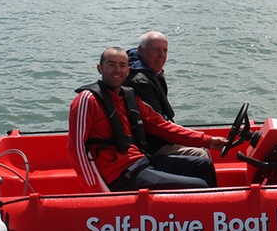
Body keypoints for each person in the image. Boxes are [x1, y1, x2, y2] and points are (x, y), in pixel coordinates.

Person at [68, 47, 227, 192]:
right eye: (112, 65)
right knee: (200, 186)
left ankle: (215, 217)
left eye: (122, 65)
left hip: (142, 162)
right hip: (121, 175)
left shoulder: (129, 99)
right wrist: (98, 194)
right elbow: (76, 150)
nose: (117, 70)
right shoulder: (87, 100)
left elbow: (162, 126)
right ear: (100, 68)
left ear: (128, 70)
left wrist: (208, 141)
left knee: (204, 165)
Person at [124, 31, 210, 159]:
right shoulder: (139, 81)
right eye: (156, 50)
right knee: (199, 154)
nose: (161, 55)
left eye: (165, 50)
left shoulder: (150, 72)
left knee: (201, 146)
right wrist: (198, 139)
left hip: (154, 138)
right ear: (141, 51)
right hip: (148, 145)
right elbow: (156, 125)